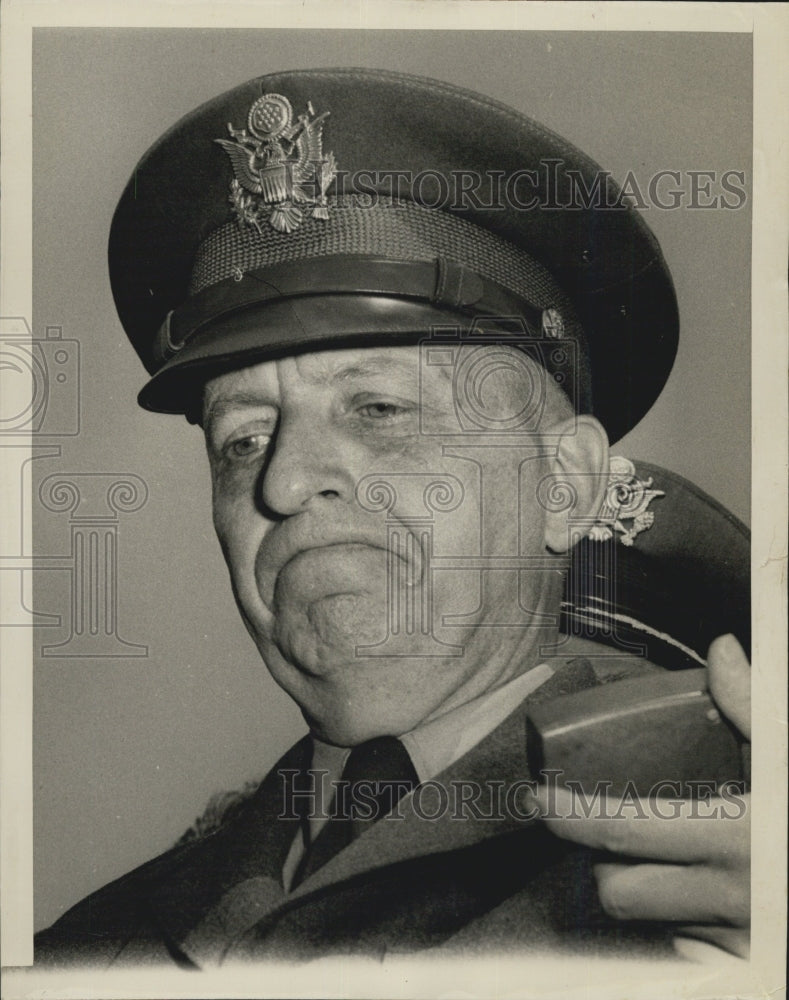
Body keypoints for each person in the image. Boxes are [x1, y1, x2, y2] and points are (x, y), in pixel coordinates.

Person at [34, 68, 750, 968]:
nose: (286, 483)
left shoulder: (728, 862)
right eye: (243, 440)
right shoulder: (89, 947)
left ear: (563, 485)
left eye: (378, 409)